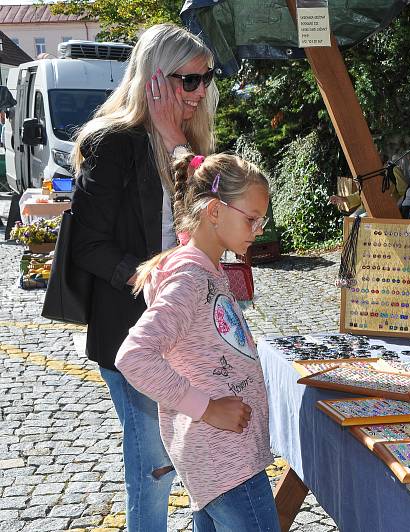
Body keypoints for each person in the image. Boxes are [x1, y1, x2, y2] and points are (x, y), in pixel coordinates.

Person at [69, 23, 217, 531]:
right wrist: (153, 281)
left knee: (200, 461)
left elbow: (198, 227)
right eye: (189, 80)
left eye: (206, 79)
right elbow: (88, 246)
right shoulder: (115, 144)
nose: (200, 92)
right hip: (133, 331)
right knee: (154, 469)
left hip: (190, 333)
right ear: (156, 78)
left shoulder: (191, 145)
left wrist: (175, 141)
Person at [116, 153, 278, 532]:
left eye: (261, 220)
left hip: (221, 459)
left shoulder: (208, 268)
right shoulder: (189, 279)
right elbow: (134, 356)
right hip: (224, 461)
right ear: (216, 211)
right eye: (251, 218)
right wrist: (206, 408)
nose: (257, 230)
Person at [329, 157, 407, 217]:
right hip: (366, 208)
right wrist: (342, 199)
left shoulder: (393, 170)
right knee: (350, 221)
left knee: (359, 222)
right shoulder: (368, 173)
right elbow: (360, 195)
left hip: (385, 209)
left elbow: (404, 193)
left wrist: (395, 208)